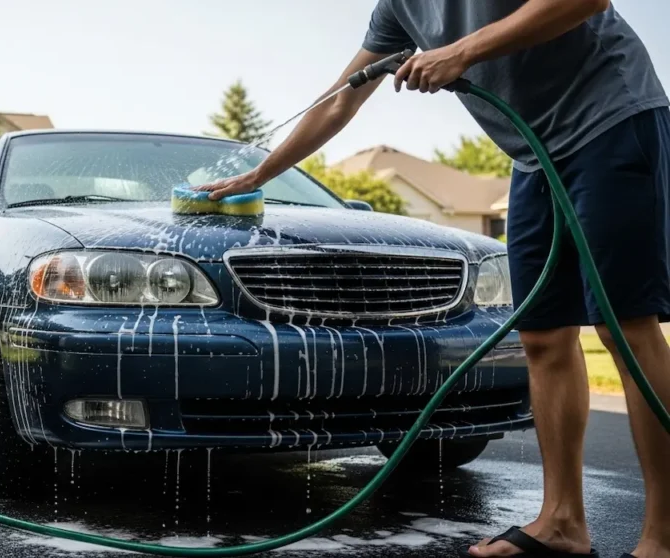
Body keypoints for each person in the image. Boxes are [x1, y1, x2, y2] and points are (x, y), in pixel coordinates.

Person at [195, 1, 670, 557]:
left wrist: (461, 52)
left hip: (611, 120)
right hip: (535, 158)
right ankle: (562, 522)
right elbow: (342, 98)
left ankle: (661, 536)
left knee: (624, 328)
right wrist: (261, 174)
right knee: (542, 338)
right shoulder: (398, 8)